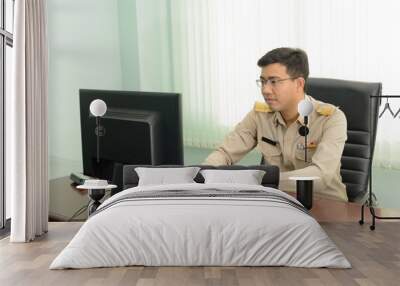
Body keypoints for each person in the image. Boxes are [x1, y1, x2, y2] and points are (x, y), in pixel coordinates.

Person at [203, 47, 348, 201]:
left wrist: (259, 181)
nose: (265, 90)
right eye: (263, 81)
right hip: (277, 202)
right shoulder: (259, 116)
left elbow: (320, 177)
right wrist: (201, 176)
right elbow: (225, 154)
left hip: (326, 205)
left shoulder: (331, 118)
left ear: (299, 83)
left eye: (274, 81)